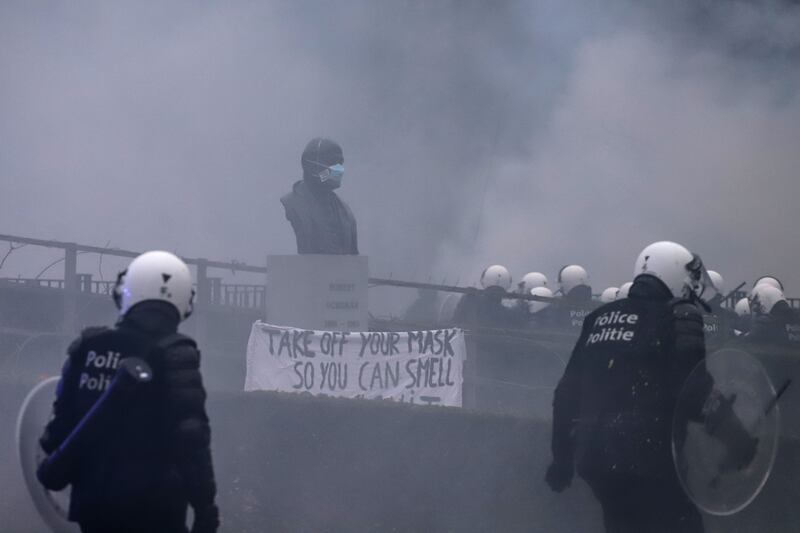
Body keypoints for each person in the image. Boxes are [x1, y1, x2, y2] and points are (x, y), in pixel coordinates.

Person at [38, 251, 219, 533]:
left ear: (125, 292)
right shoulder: (176, 354)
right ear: (185, 303)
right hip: (157, 510)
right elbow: (192, 440)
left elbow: (55, 434)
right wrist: (205, 508)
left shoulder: (87, 347)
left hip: (93, 508)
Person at [546, 241, 709, 533]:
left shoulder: (598, 319)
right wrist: (737, 438)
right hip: (649, 461)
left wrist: (561, 459)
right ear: (675, 277)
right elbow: (694, 394)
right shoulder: (677, 317)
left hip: (595, 461)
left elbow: (566, 395)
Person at [280, 137, 358, 255]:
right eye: (332, 163)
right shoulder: (289, 205)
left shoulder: (346, 214)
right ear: (308, 165)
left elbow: (354, 264)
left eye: (340, 164)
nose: (339, 170)